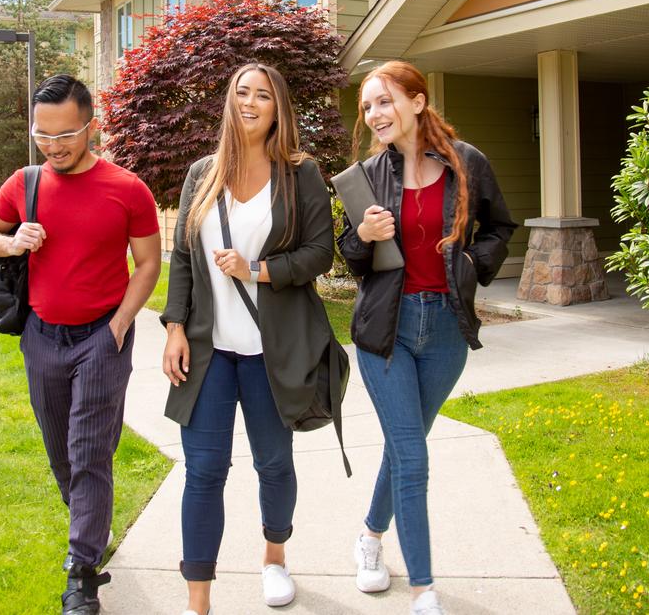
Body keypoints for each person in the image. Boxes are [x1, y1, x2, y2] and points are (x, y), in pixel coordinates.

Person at [0, 74, 162, 615]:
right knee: (61, 451)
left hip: (102, 337)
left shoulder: (128, 189)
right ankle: (88, 522)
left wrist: (122, 323)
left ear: (92, 127)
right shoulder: (26, 181)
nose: (53, 146)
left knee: (89, 451)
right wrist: (12, 240)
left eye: (65, 134)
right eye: (43, 135)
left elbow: (148, 263)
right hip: (41, 337)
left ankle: (81, 573)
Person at [336, 60, 516, 615]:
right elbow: (353, 258)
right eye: (367, 106)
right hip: (384, 333)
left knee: (403, 446)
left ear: (417, 101)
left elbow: (501, 227)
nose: (374, 114)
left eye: (384, 101)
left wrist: (468, 264)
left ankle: (370, 536)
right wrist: (362, 236)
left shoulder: (467, 164)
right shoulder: (367, 174)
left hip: (444, 331)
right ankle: (422, 590)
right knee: (413, 456)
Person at [159, 63, 336, 615]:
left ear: (279, 107)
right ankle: (198, 602)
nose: (251, 102)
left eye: (263, 95)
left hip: (269, 352)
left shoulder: (301, 173)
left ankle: (275, 557)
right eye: (242, 93)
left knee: (274, 464)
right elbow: (185, 257)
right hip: (209, 354)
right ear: (229, 102)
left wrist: (256, 269)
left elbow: (319, 254)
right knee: (204, 471)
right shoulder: (201, 174)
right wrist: (174, 327)